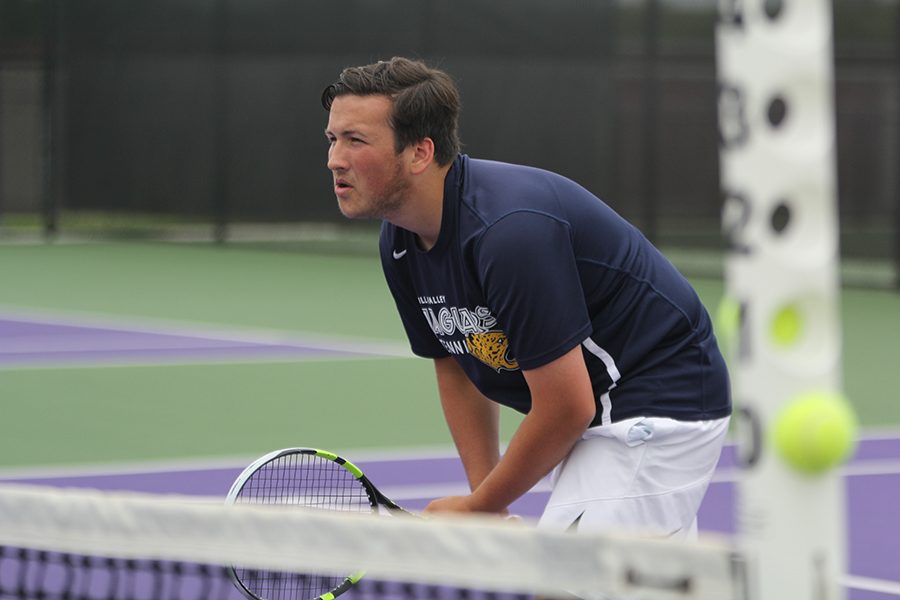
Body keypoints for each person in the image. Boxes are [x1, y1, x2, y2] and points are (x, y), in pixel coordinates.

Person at [322, 57, 731, 540]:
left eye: (355, 140)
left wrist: (479, 505)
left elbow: (566, 406)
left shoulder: (509, 232)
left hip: (655, 399)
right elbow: (455, 362)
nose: (334, 159)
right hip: (601, 412)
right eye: (333, 139)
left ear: (419, 152)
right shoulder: (400, 240)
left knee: (565, 586)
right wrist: (485, 498)